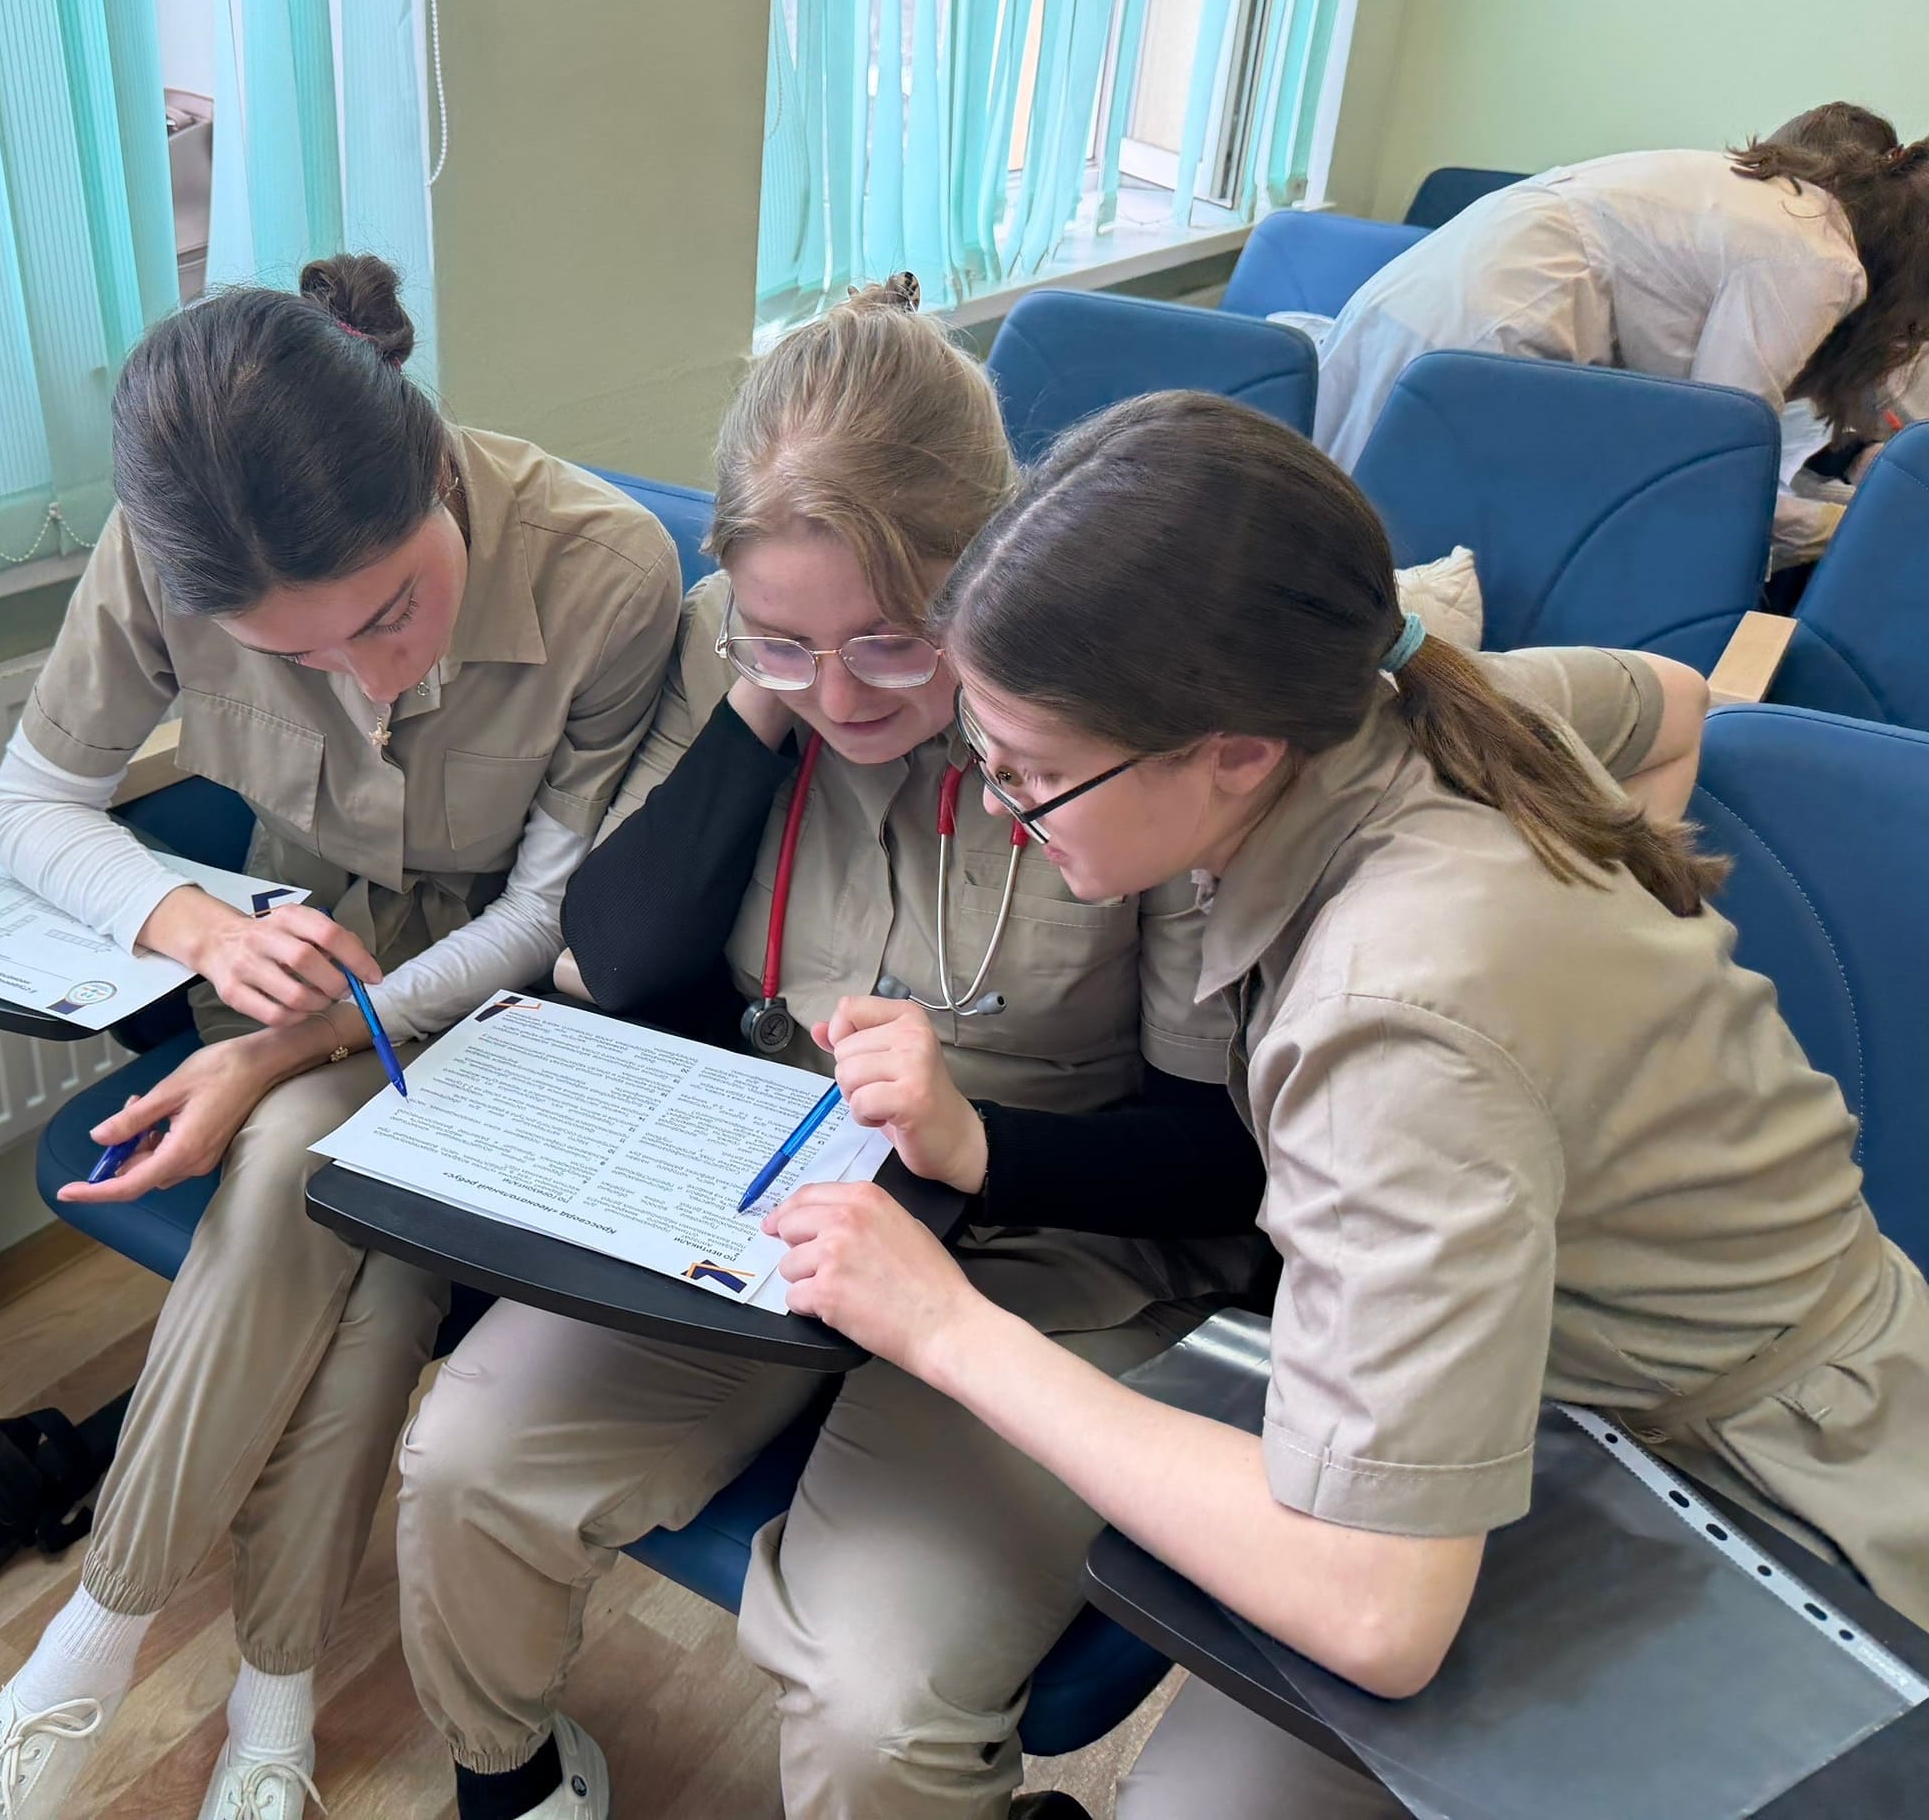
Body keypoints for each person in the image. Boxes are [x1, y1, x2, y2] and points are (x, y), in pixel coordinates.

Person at [394, 283, 1709, 1820]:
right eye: (788, 641)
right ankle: (515, 1782)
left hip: (1064, 1240)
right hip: (779, 1194)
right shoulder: (752, 657)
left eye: (892, 645)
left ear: (998, 575)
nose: (842, 695)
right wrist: (771, 688)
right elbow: (618, 954)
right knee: (463, 1464)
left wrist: (976, 1147)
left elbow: (1223, 1159)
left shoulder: (1135, 732)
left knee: (875, 1693)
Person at [766, 390, 1929, 1820]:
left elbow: (1377, 1609)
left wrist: (945, 1326)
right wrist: (1597, 1044)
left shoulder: (1391, 1009)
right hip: (1559, 1395)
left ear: (1233, 749)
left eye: (1039, 775)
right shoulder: (1417, 697)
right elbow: (1672, 706)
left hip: (1774, 1494)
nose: (1003, 805)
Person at [0, 256, 682, 1820]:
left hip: (499, 1004)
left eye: (392, 613)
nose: (368, 676)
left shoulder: (609, 569)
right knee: (370, 1262)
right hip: (291, 958)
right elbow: (32, 802)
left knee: (288, 1168)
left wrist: (279, 1050)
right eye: (298, 658)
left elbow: (546, 916)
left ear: (436, 466)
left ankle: (78, 1669)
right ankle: (268, 1711)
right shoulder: (165, 549)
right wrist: (200, 931)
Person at [1312, 102, 1929, 570]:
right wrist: (1843, 529)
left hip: (1422, 296)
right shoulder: (1814, 258)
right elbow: (1719, 457)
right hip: (1497, 329)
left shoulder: (1770, 200)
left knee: (1341, 536)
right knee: (1403, 568)